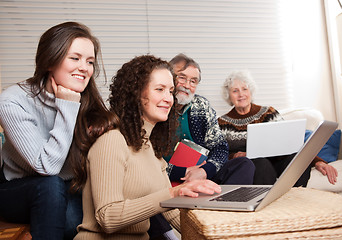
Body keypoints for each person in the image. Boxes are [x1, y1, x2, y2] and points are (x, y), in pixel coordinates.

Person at [74, 55, 221, 240]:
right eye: (159, 89)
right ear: (135, 93)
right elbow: (107, 218)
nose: (168, 99)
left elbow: (174, 214)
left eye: (170, 91)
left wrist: (220, 229)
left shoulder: (152, 151)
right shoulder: (111, 140)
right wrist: (174, 192)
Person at [0, 21, 107, 239]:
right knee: (50, 186)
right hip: (16, 189)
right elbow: (46, 167)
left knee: (80, 222)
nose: (84, 68)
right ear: (51, 60)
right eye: (75, 58)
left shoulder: (88, 100)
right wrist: (67, 107)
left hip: (69, 187)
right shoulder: (13, 101)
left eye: (90, 61)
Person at [148, 54, 256, 239]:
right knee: (144, 189)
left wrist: (205, 170)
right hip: (164, 178)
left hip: (201, 175)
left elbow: (220, 147)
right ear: (169, 77)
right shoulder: (159, 103)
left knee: (244, 164)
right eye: (182, 77)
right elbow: (147, 160)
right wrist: (183, 172)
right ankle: (169, 235)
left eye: (193, 81)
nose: (187, 85)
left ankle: (219, 217)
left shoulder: (201, 105)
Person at [218, 69, 338, 186]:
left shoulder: (268, 113)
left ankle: (294, 199)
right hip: (253, 166)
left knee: (296, 160)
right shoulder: (222, 122)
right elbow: (218, 153)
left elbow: (290, 143)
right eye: (235, 91)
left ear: (250, 91)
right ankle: (267, 203)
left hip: (277, 162)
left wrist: (318, 162)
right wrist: (234, 156)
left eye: (245, 89)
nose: (241, 94)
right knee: (261, 163)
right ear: (228, 96)